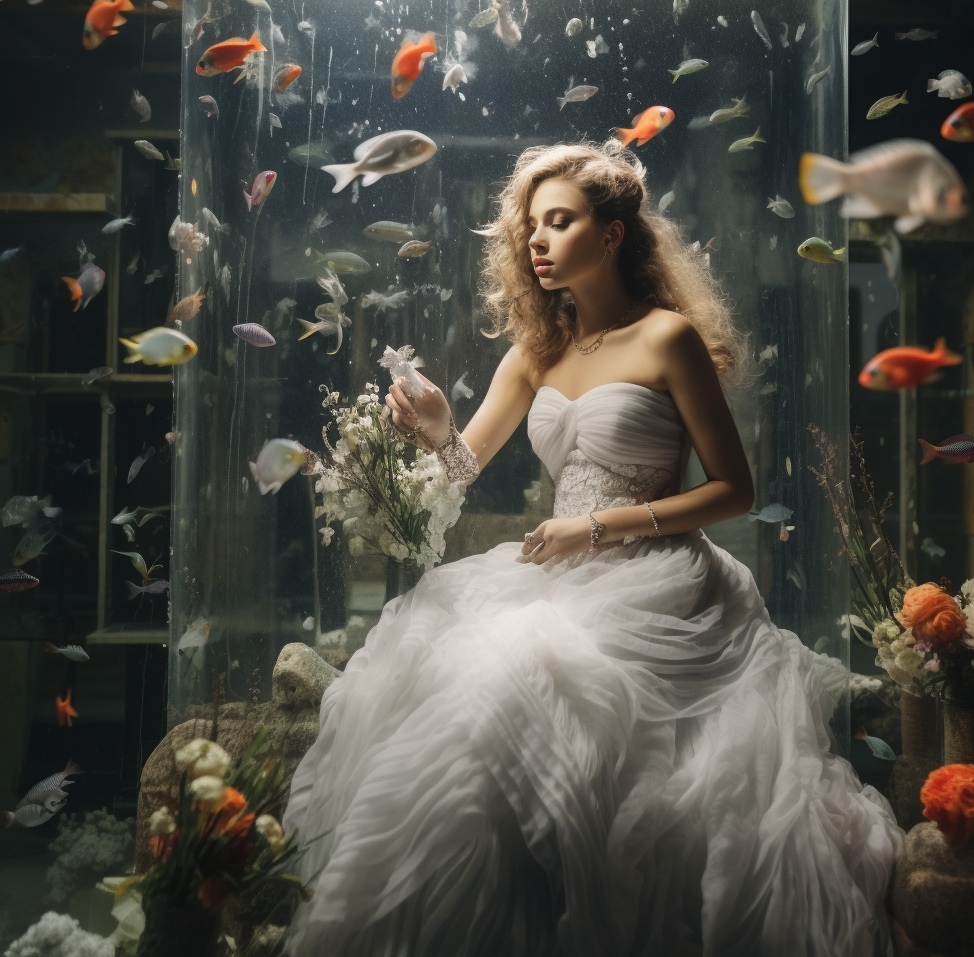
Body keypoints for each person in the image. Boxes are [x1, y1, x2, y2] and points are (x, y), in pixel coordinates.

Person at [283, 140, 905, 956]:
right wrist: (437, 430)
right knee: (471, 691)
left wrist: (602, 527)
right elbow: (461, 469)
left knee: (526, 693)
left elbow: (735, 491)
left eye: (559, 221)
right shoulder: (534, 354)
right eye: (531, 226)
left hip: (659, 578)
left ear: (612, 233)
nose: (536, 241)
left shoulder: (667, 338)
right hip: (552, 572)